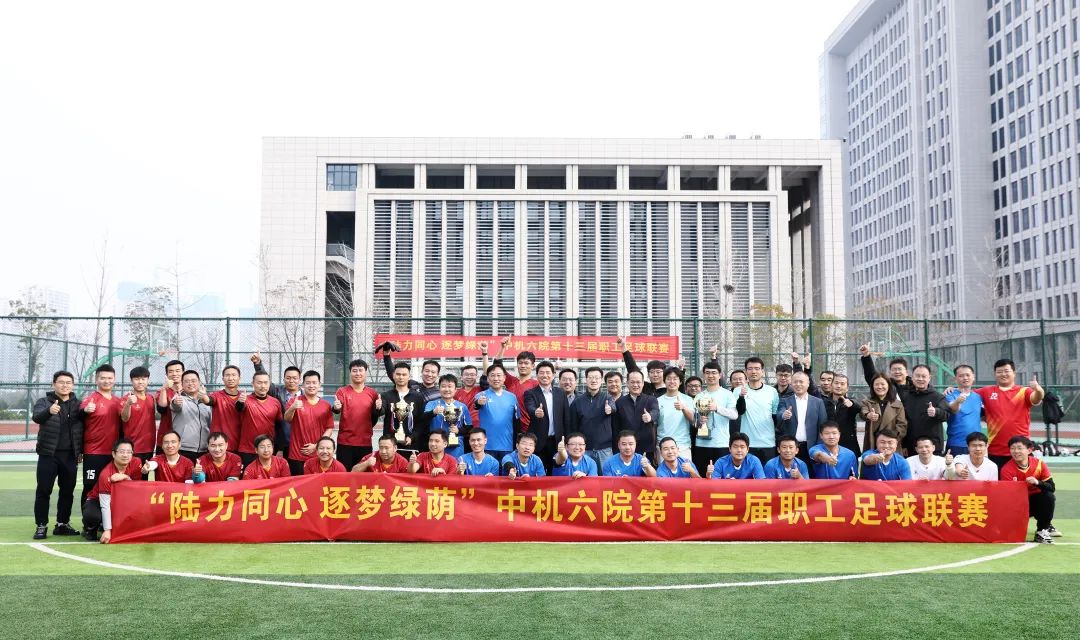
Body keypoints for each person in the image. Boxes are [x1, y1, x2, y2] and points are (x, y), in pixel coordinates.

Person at [31, 370, 83, 539]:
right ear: (54, 384)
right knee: (43, 490)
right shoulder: (44, 402)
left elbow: (84, 429)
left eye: (68, 382)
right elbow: (36, 417)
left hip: (70, 456)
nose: (65, 385)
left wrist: (80, 451)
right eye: (61, 382)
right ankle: (41, 525)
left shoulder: (78, 404)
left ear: (72, 385)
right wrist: (49, 411)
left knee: (67, 491)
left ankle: (62, 524)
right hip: (48, 454)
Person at [975, 358, 1045, 467]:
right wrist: (951, 390)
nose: (1003, 374)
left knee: (1023, 478)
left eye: (1006, 371)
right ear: (995, 374)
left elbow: (1036, 399)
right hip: (996, 450)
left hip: (1020, 449)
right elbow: (966, 394)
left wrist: (1038, 390)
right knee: (999, 478)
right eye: (999, 372)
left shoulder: (1024, 391)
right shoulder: (986, 391)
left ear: (1014, 373)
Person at [81, 438, 142, 543]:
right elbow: (105, 504)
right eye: (122, 451)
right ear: (114, 454)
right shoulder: (105, 474)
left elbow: (136, 489)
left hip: (120, 500)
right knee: (92, 515)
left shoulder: (136, 463)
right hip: (98, 500)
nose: (125, 455)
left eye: (129, 452)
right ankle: (90, 529)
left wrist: (126, 477)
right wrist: (107, 530)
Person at [1000, 436, 1058, 543]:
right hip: (1017, 505)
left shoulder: (1039, 464)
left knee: (1049, 497)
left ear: (1029, 450)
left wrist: (1038, 482)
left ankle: (1042, 530)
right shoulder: (1006, 470)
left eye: (1019, 448)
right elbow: (1008, 496)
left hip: (1036, 503)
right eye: (1012, 448)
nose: (1016, 451)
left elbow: (1051, 487)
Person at [79, 364, 123, 506]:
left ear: (114, 380)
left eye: (110, 378)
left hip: (113, 453)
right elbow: (78, 417)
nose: (106, 381)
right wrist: (85, 410)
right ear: (96, 380)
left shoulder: (118, 401)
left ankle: (106, 517)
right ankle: (88, 518)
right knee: (90, 486)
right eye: (103, 378)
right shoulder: (90, 400)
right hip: (93, 453)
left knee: (113, 487)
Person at [332, 358, 383, 471]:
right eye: (354, 371)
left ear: (366, 372)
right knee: (345, 474)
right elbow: (337, 409)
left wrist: (379, 408)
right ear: (350, 372)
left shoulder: (372, 393)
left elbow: (375, 415)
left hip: (365, 442)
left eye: (361, 370)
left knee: (363, 475)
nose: (358, 373)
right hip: (345, 442)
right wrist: (336, 407)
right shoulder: (342, 391)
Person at [250, 352, 303, 456]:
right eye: (288, 378)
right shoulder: (276, 392)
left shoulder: (306, 396)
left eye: (294, 378)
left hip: (300, 443)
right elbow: (264, 380)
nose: (291, 381)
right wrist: (258, 364)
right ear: (284, 379)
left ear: (299, 380)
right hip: (282, 443)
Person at [283, 370, 335, 476]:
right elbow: (287, 419)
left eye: (314, 383)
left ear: (319, 384)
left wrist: (316, 445)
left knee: (316, 484)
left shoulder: (326, 405)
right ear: (303, 385)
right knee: (298, 484)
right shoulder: (294, 401)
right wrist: (293, 407)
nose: (311, 386)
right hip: (297, 454)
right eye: (308, 383)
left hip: (318, 454)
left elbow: (329, 428)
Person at [693, 361, 738, 476]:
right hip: (702, 443)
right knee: (703, 476)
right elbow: (694, 420)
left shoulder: (727, 394)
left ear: (720, 375)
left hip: (721, 443)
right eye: (707, 373)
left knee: (722, 477)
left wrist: (717, 408)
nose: (710, 376)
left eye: (714, 373)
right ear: (704, 375)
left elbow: (734, 415)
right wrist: (699, 421)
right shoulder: (699, 396)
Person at [524, 361, 570, 474]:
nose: (545, 375)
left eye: (548, 372)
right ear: (536, 375)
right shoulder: (530, 393)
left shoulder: (560, 393)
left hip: (557, 441)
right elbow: (530, 407)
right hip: (538, 441)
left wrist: (566, 440)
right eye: (541, 373)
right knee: (537, 473)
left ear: (553, 375)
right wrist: (536, 412)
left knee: (556, 472)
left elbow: (566, 418)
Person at [774, 371, 826, 468]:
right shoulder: (785, 401)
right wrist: (784, 415)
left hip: (811, 447)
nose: (798, 384)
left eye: (801, 382)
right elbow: (780, 413)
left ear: (808, 383)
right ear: (791, 383)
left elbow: (822, 426)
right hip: (791, 447)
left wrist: (819, 447)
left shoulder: (818, 402)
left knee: (810, 474)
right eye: (795, 382)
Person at [489, 337, 540, 431]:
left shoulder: (536, 384)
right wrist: (502, 347)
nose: (523, 366)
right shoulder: (511, 381)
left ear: (533, 366)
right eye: (520, 363)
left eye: (526, 363)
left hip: (528, 429)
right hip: (509, 427)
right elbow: (497, 365)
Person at [897, 364, 949, 456]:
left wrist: (936, 412)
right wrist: (904, 444)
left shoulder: (937, 397)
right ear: (912, 377)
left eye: (924, 376)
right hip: (911, 446)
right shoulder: (906, 397)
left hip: (932, 447)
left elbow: (947, 415)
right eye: (917, 376)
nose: (920, 379)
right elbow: (903, 422)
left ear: (929, 378)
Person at [569, 367, 616, 466]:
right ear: (586, 379)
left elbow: (613, 407)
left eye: (597, 378)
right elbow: (573, 426)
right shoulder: (578, 401)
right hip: (584, 449)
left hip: (605, 449)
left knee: (606, 474)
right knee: (584, 474)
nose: (594, 380)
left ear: (601, 380)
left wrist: (610, 409)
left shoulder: (607, 398)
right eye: (590, 377)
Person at [474, 363, 520, 462]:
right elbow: (476, 404)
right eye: (492, 375)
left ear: (504, 378)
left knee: (506, 471)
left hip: (507, 445)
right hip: (486, 445)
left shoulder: (512, 397)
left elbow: (517, 420)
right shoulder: (481, 395)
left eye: (499, 375)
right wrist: (479, 403)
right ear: (488, 378)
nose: (496, 378)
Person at [236, 371, 283, 468]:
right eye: (259, 382)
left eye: (265, 383)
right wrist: (240, 402)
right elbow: (239, 408)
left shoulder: (275, 402)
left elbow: (279, 426)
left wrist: (280, 448)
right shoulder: (245, 400)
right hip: (248, 450)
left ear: (269, 384)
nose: (263, 386)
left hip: (267, 450)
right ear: (252, 383)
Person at [740, 357, 781, 463]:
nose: (753, 371)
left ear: (762, 371)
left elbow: (775, 415)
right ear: (745, 372)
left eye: (757, 368)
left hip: (768, 443)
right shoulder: (738, 391)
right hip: (746, 443)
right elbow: (738, 412)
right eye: (750, 369)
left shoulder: (772, 391)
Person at [423, 373, 473, 459]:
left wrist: (458, 430)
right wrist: (433, 412)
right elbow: (423, 419)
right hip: (435, 445)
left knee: (454, 466)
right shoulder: (431, 404)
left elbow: (469, 428)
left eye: (450, 386)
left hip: (456, 448)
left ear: (455, 389)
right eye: (443, 386)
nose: (446, 389)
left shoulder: (462, 407)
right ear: (439, 388)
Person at [170, 369, 212, 463]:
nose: (190, 383)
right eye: (187, 381)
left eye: (193, 381)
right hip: (184, 449)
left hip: (205, 450)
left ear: (199, 382)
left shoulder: (206, 402)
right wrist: (175, 402)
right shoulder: (179, 398)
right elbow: (175, 405)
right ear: (182, 384)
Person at [615, 370, 660, 457]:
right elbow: (616, 427)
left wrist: (650, 416)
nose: (635, 385)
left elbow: (656, 411)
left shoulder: (651, 399)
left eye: (638, 382)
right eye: (632, 382)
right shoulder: (620, 402)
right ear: (627, 383)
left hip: (647, 447)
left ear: (643, 383)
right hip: (626, 447)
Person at [381, 361, 426, 449]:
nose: (401, 377)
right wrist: (378, 408)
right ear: (393, 375)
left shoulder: (417, 397)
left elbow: (421, 422)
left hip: (411, 445)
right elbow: (380, 412)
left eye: (404, 374)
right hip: (390, 446)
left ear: (409, 376)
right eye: (398, 374)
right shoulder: (386, 396)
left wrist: (412, 437)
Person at [860, 373, 907, 453]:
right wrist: (868, 415)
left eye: (882, 384)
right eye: (876, 384)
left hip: (891, 445)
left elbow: (902, 425)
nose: (880, 387)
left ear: (888, 385)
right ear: (872, 387)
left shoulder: (898, 404)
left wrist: (891, 439)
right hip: (872, 444)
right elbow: (863, 412)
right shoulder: (867, 402)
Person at [943, 364, 983, 456]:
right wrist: (957, 402)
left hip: (976, 444)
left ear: (973, 377)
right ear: (955, 378)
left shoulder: (978, 396)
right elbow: (953, 409)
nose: (965, 378)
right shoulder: (950, 394)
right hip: (956, 443)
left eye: (968, 375)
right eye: (961, 376)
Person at [656, 367, 695, 460]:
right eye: (669, 378)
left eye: (675, 379)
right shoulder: (657, 401)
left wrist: (684, 408)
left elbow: (694, 420)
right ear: (664, 381)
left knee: (685, 469)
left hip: (683, 446)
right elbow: (655, 424)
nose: (672, 381)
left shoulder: (688, 399)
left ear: (680, 382)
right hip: (663, 445)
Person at [120, 366, 156, 461]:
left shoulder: (151, 398)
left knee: (146, 470)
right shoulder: (126, 399)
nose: (140, 382)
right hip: (132, 447)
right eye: (137, 379)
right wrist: (128, 404)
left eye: (143, 379)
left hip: (149, 446)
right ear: (131, 381)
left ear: (148, 380)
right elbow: (124, 418)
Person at [206, 365, 244, 452]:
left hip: (238, 446)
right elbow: (209, 400)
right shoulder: (217, 395)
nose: (230, 378)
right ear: (223, 379)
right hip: (218, 446)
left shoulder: (244, 397)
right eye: (227, 375)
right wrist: (203, 396)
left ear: (239, 378)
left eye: (234, 375)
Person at [823, 373, 861, 455]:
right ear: (831, 385)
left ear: (847, 388)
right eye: (836, 383)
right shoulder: (823, 402)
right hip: (827, 445)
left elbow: (859, 408)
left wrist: (852, 404)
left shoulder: (850, 402)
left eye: (842, 384)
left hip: (848, 445)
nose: (839, 386)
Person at [154, 359, 186, 451]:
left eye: (178, 371)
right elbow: (162, 409)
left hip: (185, 440)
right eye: (171, 371)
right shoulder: (161, 392)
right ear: (167, 375)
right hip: (165, 438)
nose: (174, 374)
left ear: (183, 372)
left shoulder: (189, 391)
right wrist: (164, 389)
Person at [455, 363, 486, 430]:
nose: (469, 377)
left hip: (478, 429)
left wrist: (485, 356)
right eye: (466, 374)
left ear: (476, 377)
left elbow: (486, 374)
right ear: (461, 377)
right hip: (461, 429)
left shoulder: (482, 390)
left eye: (472, 375)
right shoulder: (455, 394)